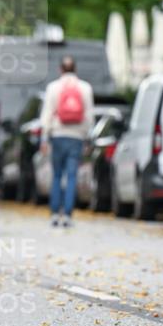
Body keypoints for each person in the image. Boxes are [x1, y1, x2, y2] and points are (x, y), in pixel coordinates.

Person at [39, 56, 93, 228]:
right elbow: (89, 116)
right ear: (75, 69)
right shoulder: (85, 88)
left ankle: (55, 213)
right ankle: (68, 215)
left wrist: (44, 137)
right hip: (76, 137)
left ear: (60, 70)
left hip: (58, 135)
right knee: (71, 176)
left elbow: (46, 115)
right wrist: (86, 138)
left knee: (56, 175)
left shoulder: (53, 87)